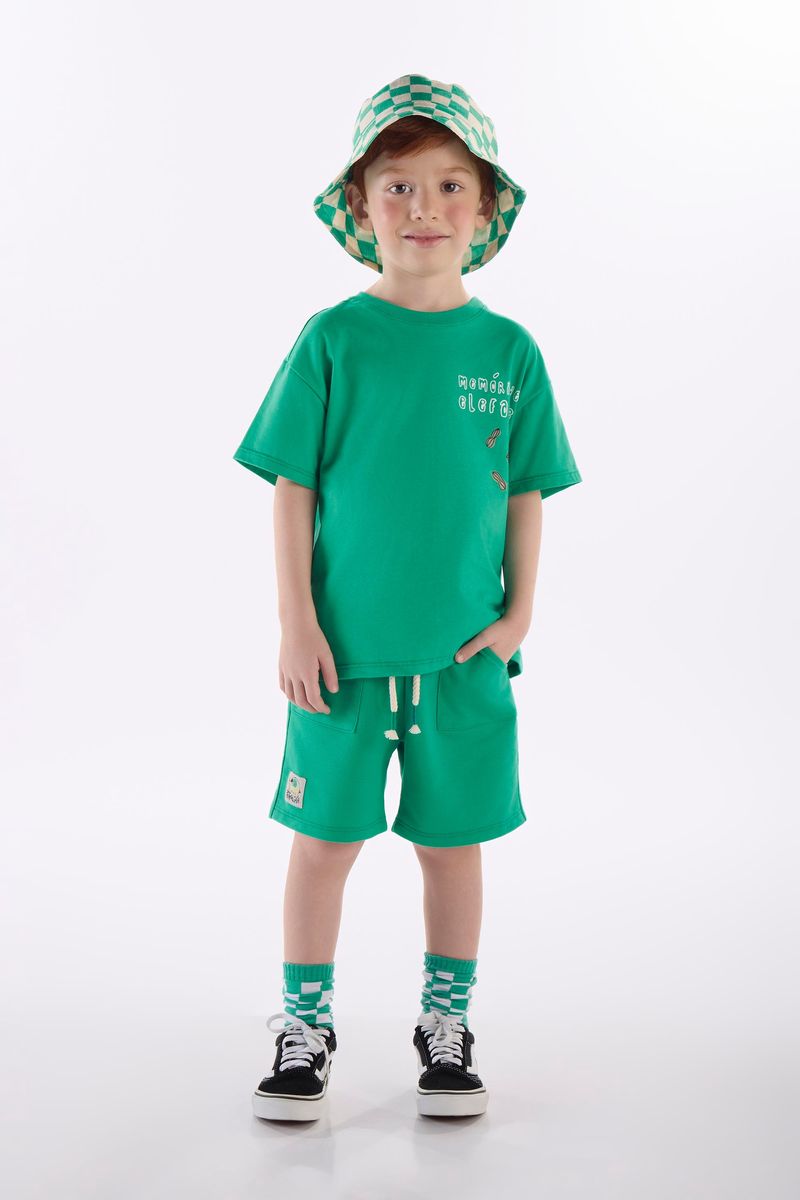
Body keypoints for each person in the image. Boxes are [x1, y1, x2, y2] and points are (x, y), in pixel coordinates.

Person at [233, 73, 583, 1122]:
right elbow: (292, 487)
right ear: (361, 205)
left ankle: (446, 1023)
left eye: (448, 185)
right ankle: (305, 1025)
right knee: (322, 842)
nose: (422, 207)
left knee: (450, 841)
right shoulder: (333, 339)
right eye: (397, 186)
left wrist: (517, 617)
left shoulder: (509, 352)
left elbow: (526, 490)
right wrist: (296, 621)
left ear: (484, 209)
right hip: (339, 658)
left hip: (463, 658)